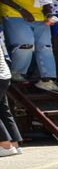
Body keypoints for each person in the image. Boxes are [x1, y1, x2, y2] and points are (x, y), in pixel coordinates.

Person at [0, 0, 58, 92]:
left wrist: (49, 15)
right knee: (26, 44)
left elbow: (47, 2)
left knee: (45, 46)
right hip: (15, 14)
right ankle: (17, 73)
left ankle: (47, 80)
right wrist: (21, 10)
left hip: (39, 18)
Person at [0, 24, 21, 155]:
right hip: (4, 75)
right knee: (3, 110)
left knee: (3, 110)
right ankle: (15, 144)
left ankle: (5, 146)